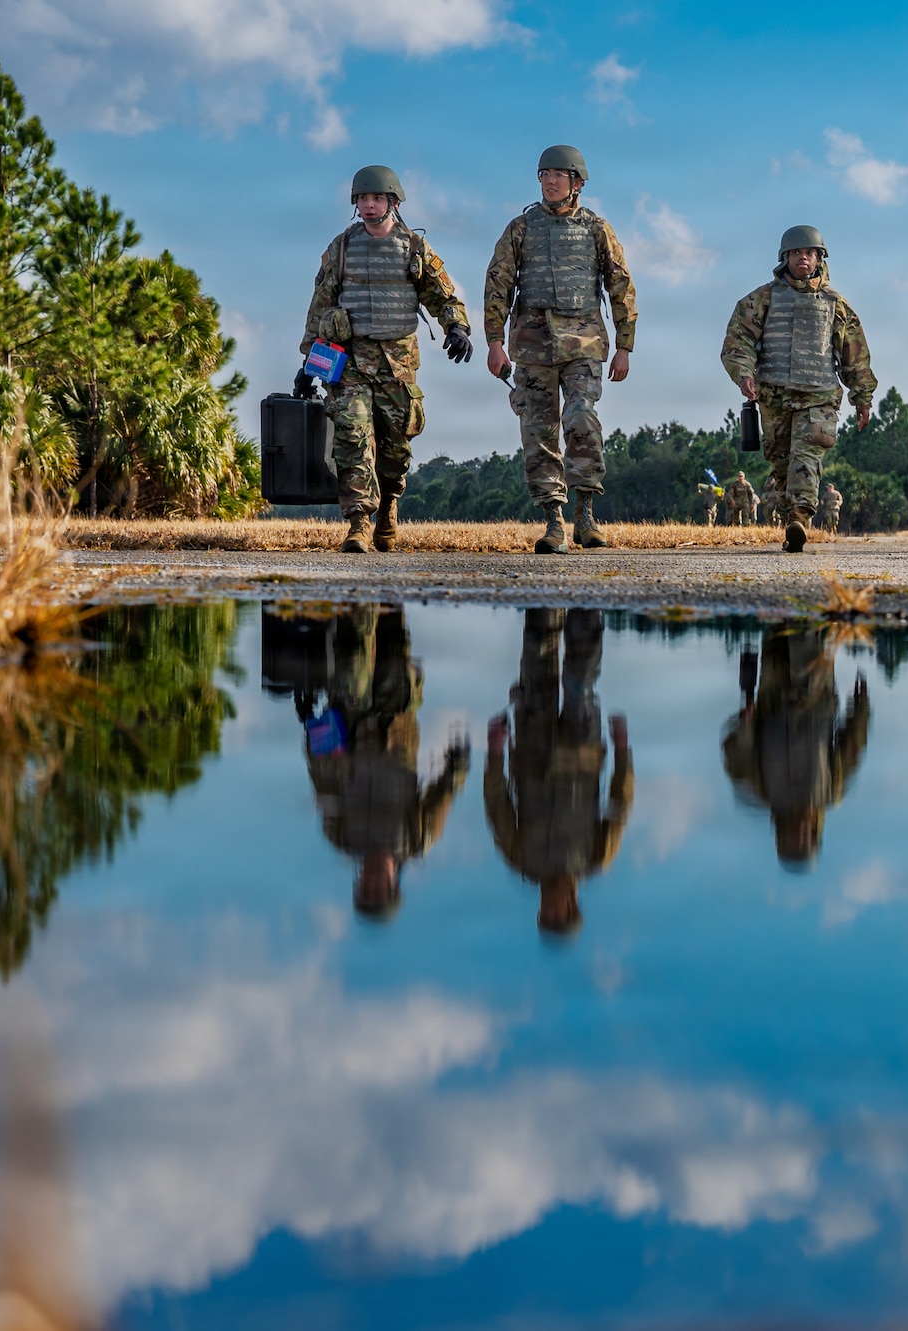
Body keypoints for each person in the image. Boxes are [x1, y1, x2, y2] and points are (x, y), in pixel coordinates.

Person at [295, 165, 471, 554]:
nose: (369, 205)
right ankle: (358, 523)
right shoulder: (340, 249)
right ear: (355, 204)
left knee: (396, 448)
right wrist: (309, 364)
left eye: (376, 198)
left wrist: (456, 327)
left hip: (398, 364)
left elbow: (444, 296)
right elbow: (319, 309)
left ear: (393, 201)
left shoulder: (414, 248)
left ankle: (389, 505)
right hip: (350, 362)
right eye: (362, 199)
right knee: (352, 436)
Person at [482, 146, 638, 554]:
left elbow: (620, 286)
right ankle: (554, 521)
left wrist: (625, 346)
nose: (550, 181)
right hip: (532, 346)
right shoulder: (521, 228)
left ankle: (585, 514)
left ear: (577, 183)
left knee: (581, 417)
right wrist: (494, 342)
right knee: (538, 430)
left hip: (583, 341)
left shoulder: (596, 229)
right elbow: (497, 284)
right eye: (544, 174)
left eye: (558, 175)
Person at [270, 606, 470, 917]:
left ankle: (357, 589)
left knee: (350, 657)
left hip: (352, 720)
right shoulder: (417, 840)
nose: (372, 883)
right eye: (379, 891)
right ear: (394, 885)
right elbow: (444, 793)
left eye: (366, 890)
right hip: (397, 719)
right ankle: (386, 569)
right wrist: (457, 767)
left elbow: (322, 776)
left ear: (358, 883)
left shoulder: (340, 837)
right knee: (393, 639)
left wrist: (311, 724)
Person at [720, 226, 878, 553]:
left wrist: (862, 396)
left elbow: (855, 354)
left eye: (809, 252)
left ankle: (800, 518)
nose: (802, 257)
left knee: (806, 458)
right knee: (780, 463)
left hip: (818, 398)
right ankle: (789, 516)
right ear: (785, 258)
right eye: (796, 253)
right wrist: (743, 374)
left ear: (820, 258)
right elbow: (738, 342)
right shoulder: (761, 300)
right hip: (773, 396)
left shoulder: (836, 303)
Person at [485, 609, 634, 934]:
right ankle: (586, 608)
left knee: (537, 662)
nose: (546, 909)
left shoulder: (521, 860)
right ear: (571, 907)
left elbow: (498, 804)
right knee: (579, 683)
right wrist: (623, 752)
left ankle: (544, 604)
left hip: (530, 750)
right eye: (554, 915)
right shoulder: (596, 859)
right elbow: (619, 807)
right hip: (582, 752)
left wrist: (494, 753)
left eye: (544, 916)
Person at [722, 630, 871, 868]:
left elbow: (733, 753)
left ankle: (787, 597)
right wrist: (860, 707)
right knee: (807, 631)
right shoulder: (830, 793)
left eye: (794, 842)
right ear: (814, 834)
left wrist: (745, 728)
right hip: (816, 696)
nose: (799, 835)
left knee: (776, 629)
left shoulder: (759, 791)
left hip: (773, 698)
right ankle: (807, 599)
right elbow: (851, 747)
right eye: (804, 840)